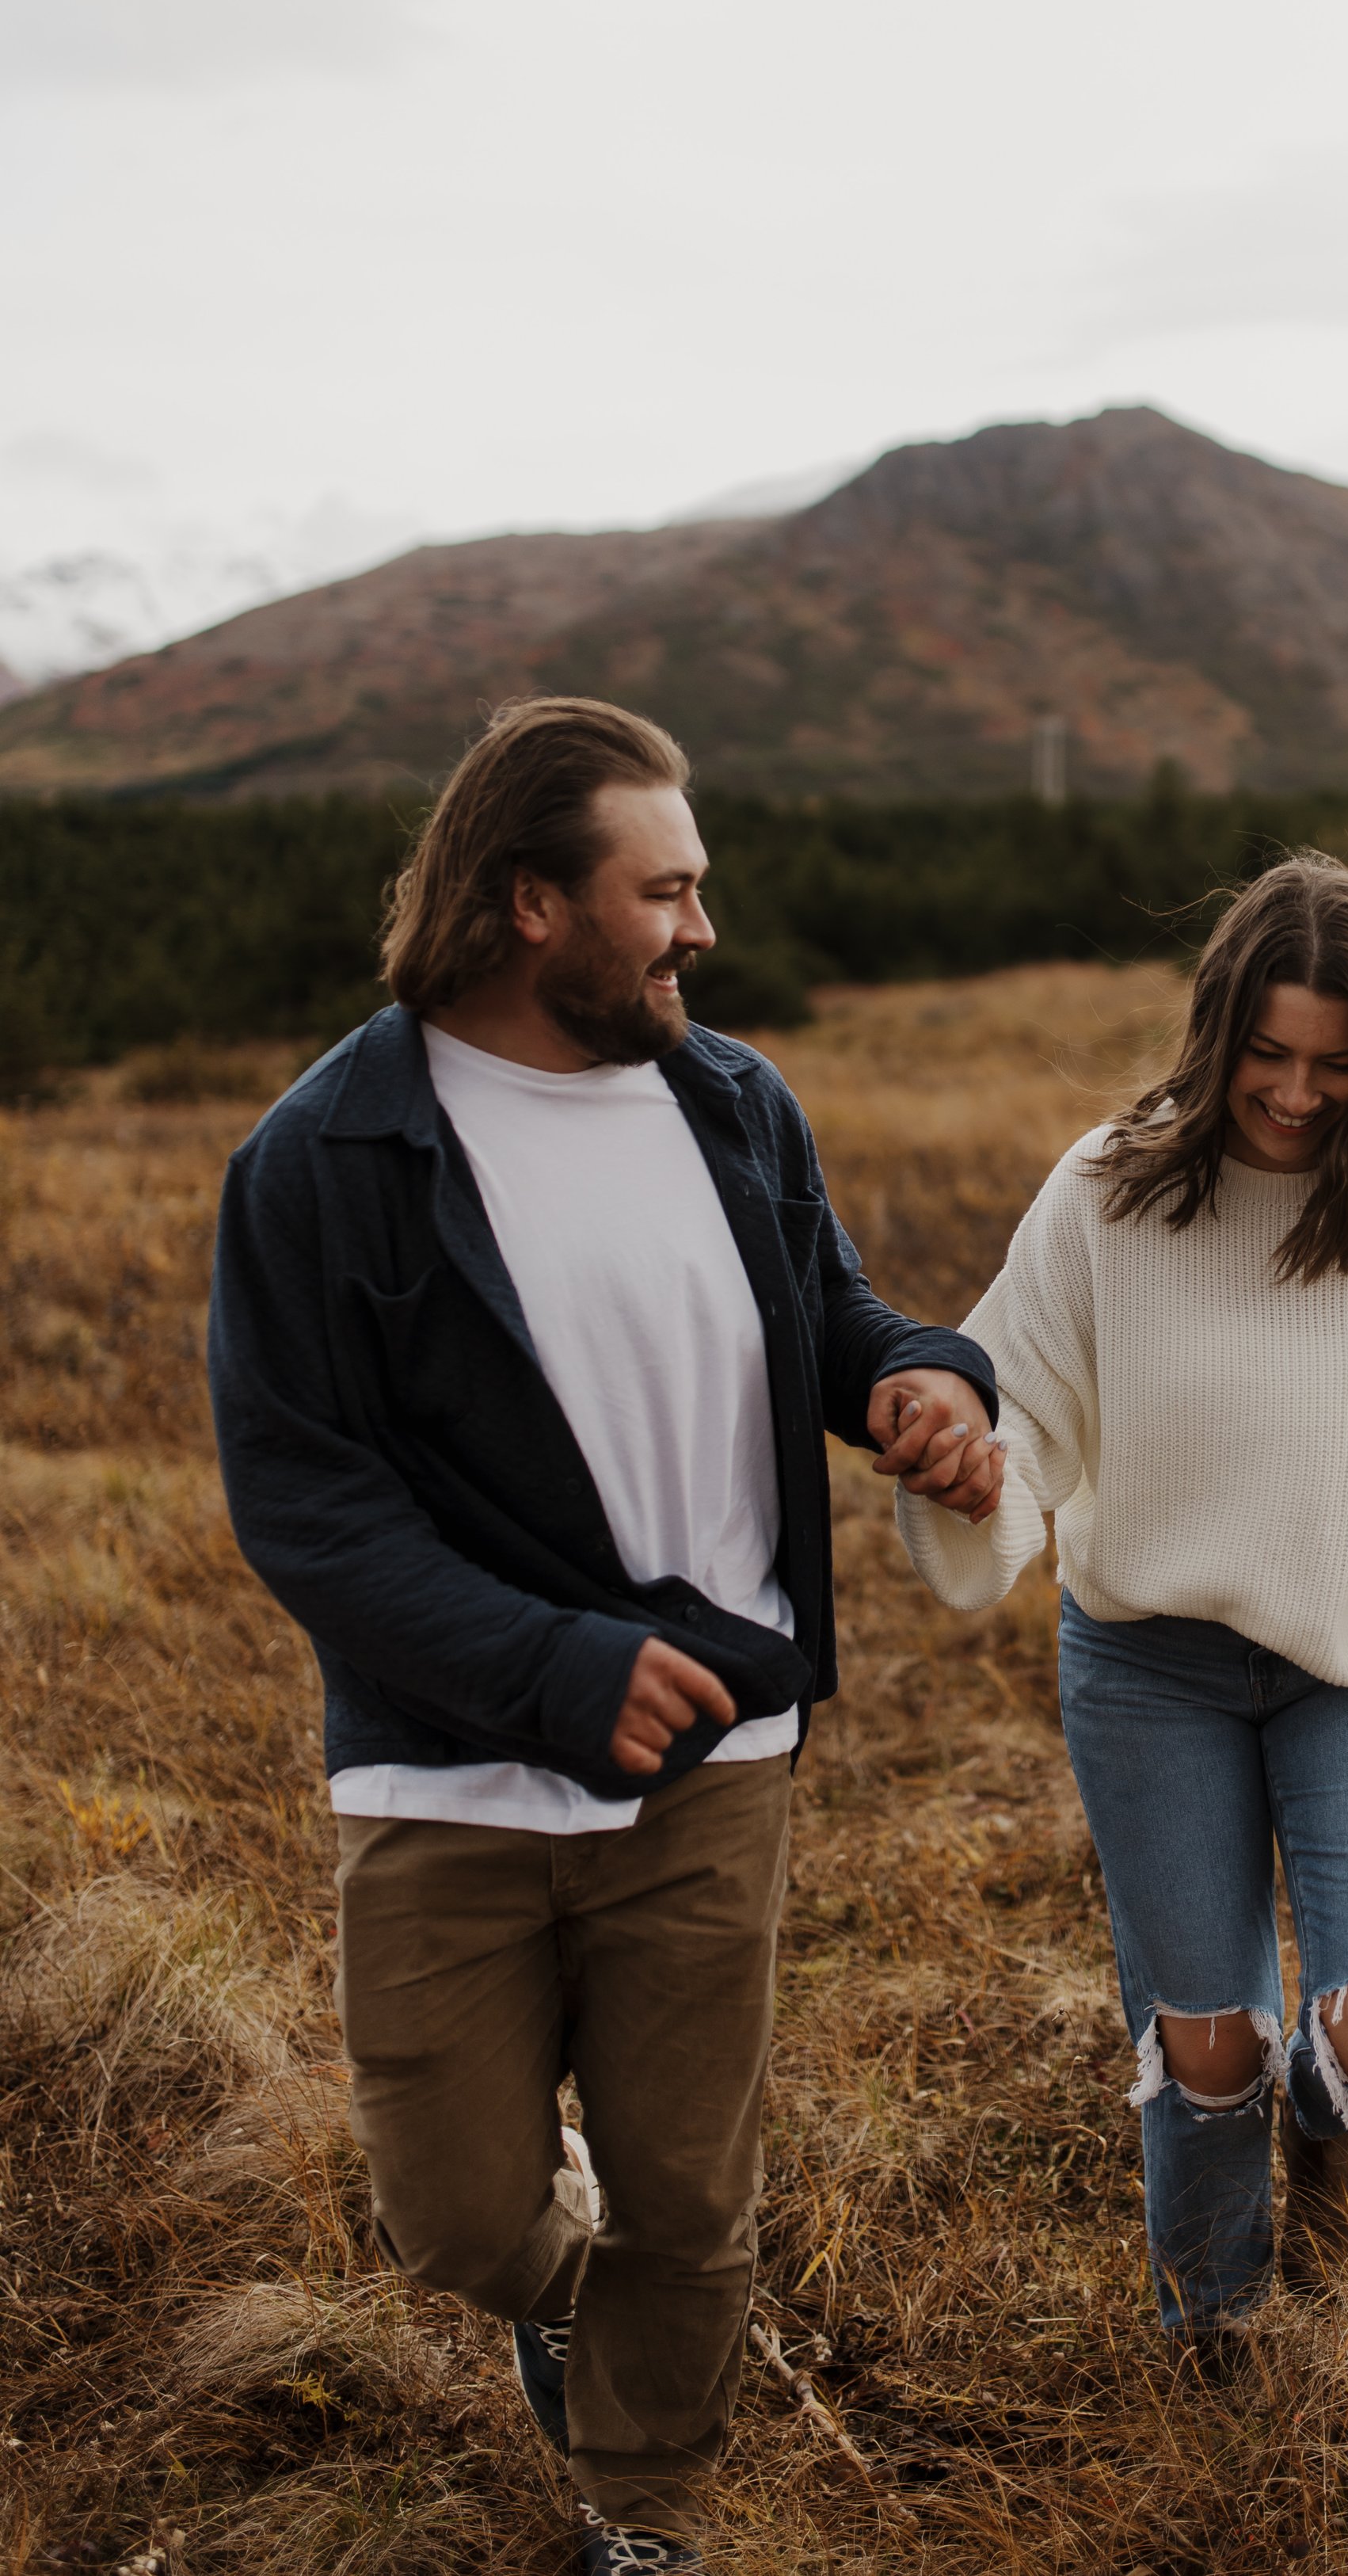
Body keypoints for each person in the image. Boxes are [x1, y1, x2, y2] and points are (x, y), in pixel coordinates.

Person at [208, 697, 1002, 2574]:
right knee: (459, 2223)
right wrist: (551, 1667)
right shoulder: (324, 1158)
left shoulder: (731, 1100)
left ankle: (639, 2510)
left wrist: (914, 1380)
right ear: (526, 904)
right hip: (452, 1768)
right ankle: (563, 2298)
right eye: (666, 890)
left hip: (717, 1760)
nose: (701, 928)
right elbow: (308, 1507)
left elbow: (831, 1313)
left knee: (689, 2198)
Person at [895, 852, 1348, 2351]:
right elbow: (1018, 1416)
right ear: (1217, 1031)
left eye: (1334, 1066)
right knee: (1203, 2048)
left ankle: (1321, 2120)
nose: (1292, 1093)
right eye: (1265, 1055)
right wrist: (970, 1473)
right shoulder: (1108, 1190)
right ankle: (1214, 2330)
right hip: (1152, 1666)